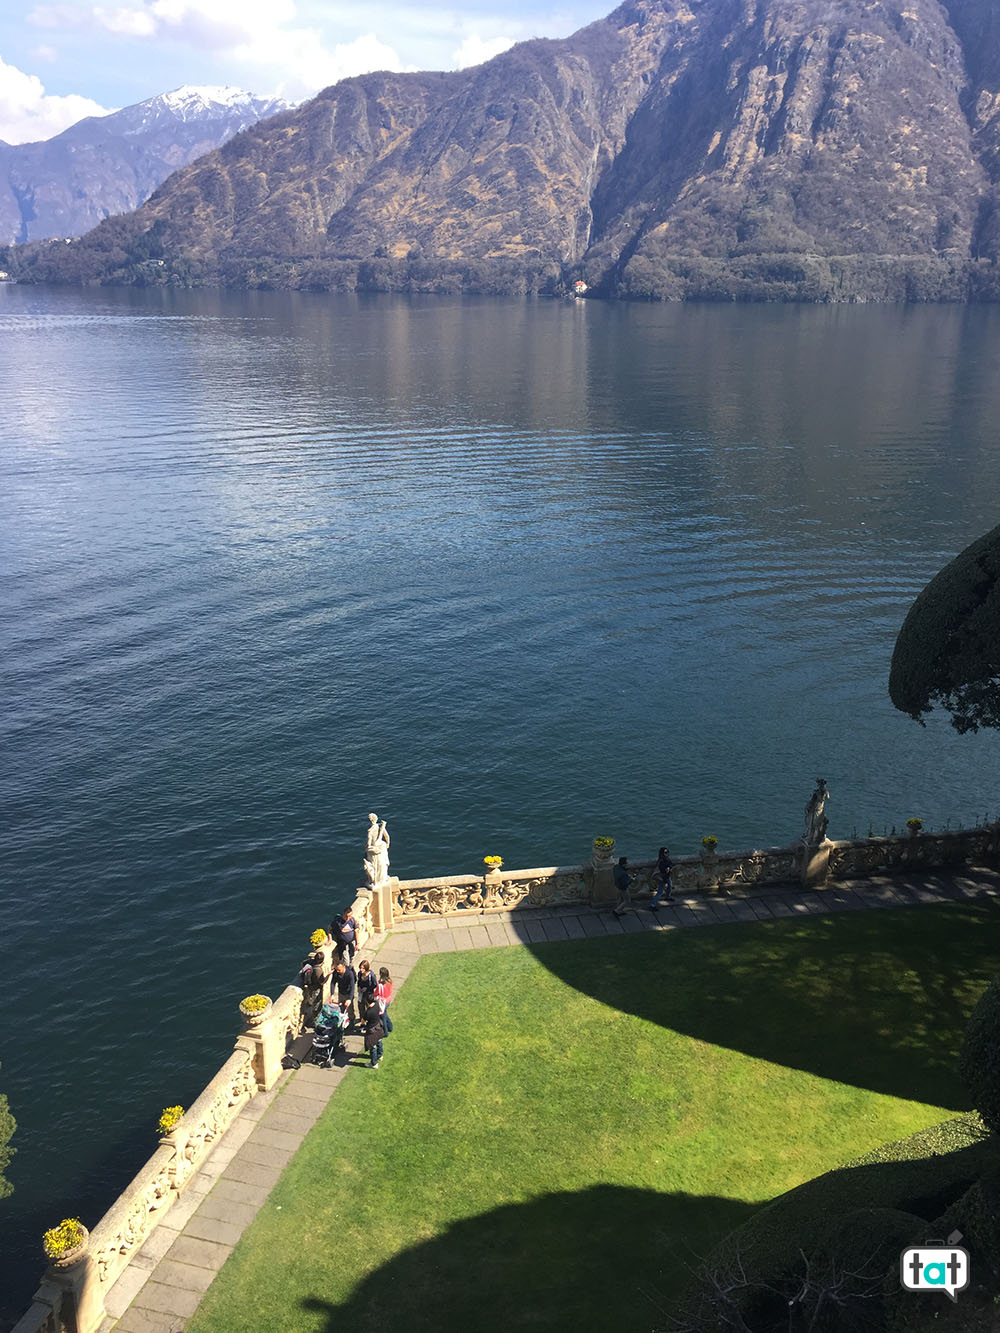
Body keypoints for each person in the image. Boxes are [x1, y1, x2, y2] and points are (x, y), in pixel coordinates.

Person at [331, 958, 357, 1029]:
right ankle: (342, 1021)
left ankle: (351, 1022)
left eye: (339, 969)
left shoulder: (349, 974)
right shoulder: (336, 973)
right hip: (341, 992)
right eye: (337, 969)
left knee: (350, 1009)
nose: (338, 971)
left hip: (348, 993)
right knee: (341, 1007)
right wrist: (332, 994)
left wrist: (349, 999)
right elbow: (333, 982)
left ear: (343, 967)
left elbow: (352, 987)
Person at [362, 993, 385, 1069]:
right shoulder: (377, 1004)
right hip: (378, 1026)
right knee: (379, 1041)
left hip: (371, 1030)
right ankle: (380, 1055)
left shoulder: (368, 1012)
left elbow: (363, 1022)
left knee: (372, 1046)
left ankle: (374, 1063)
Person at [375, 966, 394, 1034]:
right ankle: (390, 1027)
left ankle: (385, 1032)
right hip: (388, 1000)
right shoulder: (390, 981)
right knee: (385, 1014)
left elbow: (377, 993)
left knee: (382, 1016)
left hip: (383, 1002)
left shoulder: (380, 984)